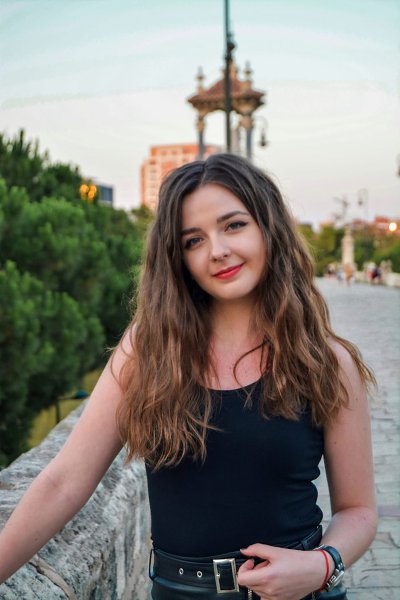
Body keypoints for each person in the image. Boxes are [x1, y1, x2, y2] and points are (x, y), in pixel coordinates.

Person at [0, 154, 377, 600]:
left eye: (234, 225)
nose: (217, 250)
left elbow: (358, 511)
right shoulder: (149, 351)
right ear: (177, 258)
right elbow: (64, 482)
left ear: (268, 227)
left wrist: (322, 564)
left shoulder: (326, 361)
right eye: (193, 240)